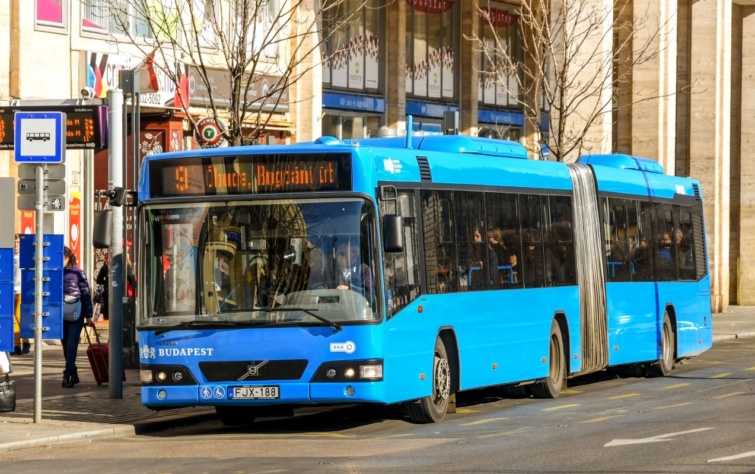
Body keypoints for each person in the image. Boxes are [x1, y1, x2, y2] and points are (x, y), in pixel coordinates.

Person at [62, 246, 94, 388]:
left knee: (71, 345)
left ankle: (68, 374)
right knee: (66, 345)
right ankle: (72, 372)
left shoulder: (78, 273)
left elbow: (86, 294)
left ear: (68, 257)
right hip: (62, 313)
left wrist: (88, 315)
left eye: (62, 257)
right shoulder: (54, 273)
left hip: (76, 312)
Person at [12, 234, 30, 355]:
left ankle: (25, 342)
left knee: (20, 318)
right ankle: (17, 345)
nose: (16, 244)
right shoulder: (9, 256)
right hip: (10, 291)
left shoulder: (24, 257)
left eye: (18, 242)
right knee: (13, 318)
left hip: (21, 291)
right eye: (14, 242)